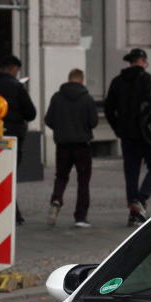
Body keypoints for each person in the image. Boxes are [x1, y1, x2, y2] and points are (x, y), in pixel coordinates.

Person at [105, 48, 151, 226]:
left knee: (131, 173)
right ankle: (140, 200)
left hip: (127, 135)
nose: (145, 65)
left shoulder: (117, 81)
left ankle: (133, 214)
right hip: (146, 134)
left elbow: (109, 109)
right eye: (145, 62)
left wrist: (118, 128)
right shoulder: (146, 78)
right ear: (140, 60)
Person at [0, 54, 37, 225]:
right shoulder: (17, 87)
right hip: (14, 137)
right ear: (14, 70)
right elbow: (31, 113)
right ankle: (12, 214)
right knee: (9, 176)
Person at [44, 69, 102, 228]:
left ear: (68, 79)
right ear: (82, 81)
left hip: (62, 144)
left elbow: (48, 119)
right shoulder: (87, 99)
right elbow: (94, 122)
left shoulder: (57, 97)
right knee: (83, 180)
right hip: (82, 145)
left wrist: (61, 128)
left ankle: (56, 200)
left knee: (61, 176)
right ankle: (80, 217)